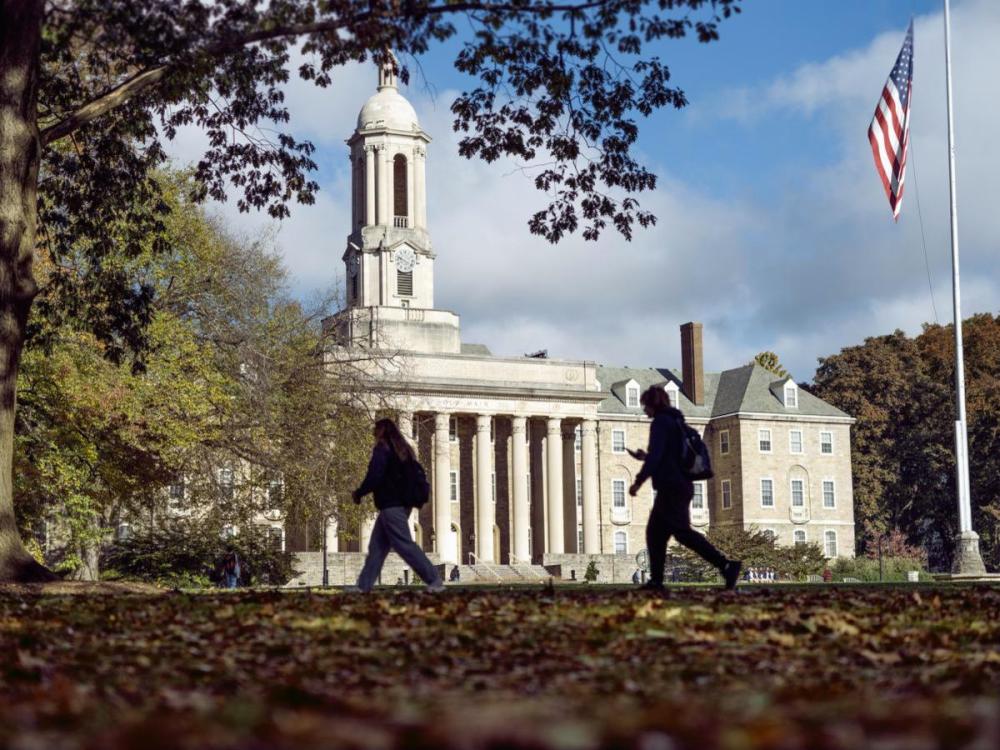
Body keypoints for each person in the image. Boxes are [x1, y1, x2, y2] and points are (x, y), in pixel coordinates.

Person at [629, 386, 742, 591]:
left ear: (653, 404)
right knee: (656, 533)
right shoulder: (676, 422)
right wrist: (644, 457)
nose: (644, 410)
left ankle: (726, 565)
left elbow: (657, 458)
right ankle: (657, 580)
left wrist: (638, 481)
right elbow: (670, 457)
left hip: (672, 487)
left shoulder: (661, 423)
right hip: (679, 485)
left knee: (679, 533)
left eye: (645, 405)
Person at [351, 417, 444, 593]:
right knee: (377, 547)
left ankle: (434, 579)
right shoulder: (404, 451)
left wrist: (359, 492)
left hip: (390, 504)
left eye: (375, 431)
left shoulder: (383, 449)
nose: (373, 434)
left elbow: (375, 475)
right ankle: (363, 586)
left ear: (381, 431)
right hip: (402, 505)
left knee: (403, 544)